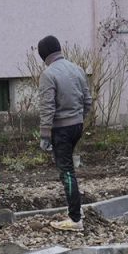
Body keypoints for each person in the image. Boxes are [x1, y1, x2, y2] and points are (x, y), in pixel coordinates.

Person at [37, 35, 92, 231]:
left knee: (67, 172)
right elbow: (88, 100)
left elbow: (47, 107)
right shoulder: (76, 69)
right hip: (77, 125)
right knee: (69, 168)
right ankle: (75, 210)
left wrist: (45, 135)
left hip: (61, 129)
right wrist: (79, 119)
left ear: (43, 55)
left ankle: (75, 218)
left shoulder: (49, 74)